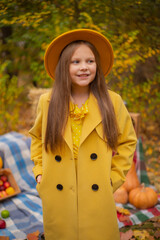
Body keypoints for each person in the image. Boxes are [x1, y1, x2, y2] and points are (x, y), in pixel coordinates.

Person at [29, 29, 137, 240]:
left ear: (97, 65)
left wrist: (113, 178)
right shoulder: (48, 101)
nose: (84, 67)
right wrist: (40, 172)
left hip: (96, 190)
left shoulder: (112, 101)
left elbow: (128, 141)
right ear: (63, 67)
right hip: (58, 188)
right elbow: (37, 138)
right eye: (75, 62)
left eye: (90, 61)